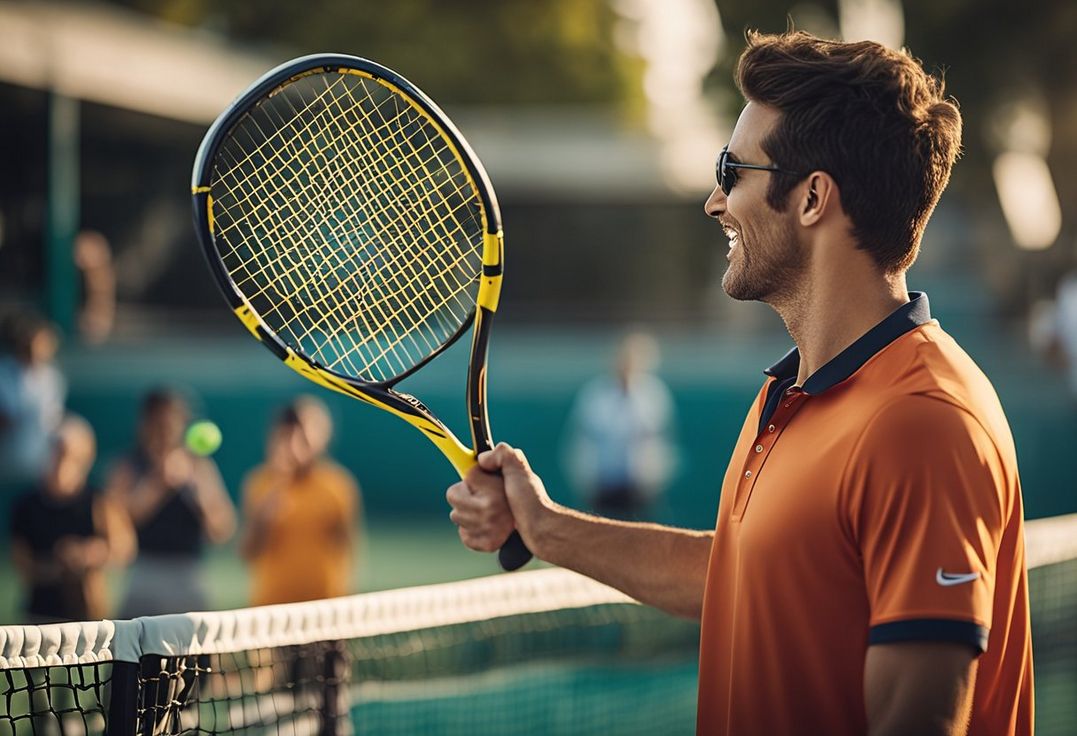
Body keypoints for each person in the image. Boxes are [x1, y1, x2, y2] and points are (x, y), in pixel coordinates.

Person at [447, 31, 1033, 736]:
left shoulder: (923, 421)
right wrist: (543, 528)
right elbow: (739, 577)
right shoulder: (787, 394)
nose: (713, 201)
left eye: (730, 170)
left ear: (813, 197)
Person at [107, 388, 236, 617]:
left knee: (198, 650)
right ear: (146, 423)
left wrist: (199, 491)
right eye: (160, 420)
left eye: (174, 420)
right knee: (129, 651)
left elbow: (222, 530)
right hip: (145, 571)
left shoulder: (200, 466)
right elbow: (117, 520)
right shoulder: (129, 464)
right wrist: (158, 483)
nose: (166, 428)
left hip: (188, 573)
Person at [10, 415, 135, 623]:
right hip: (39, 616)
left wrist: (88, 554)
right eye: (55, 452)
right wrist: (58, 565)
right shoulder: (26, 505)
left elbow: (124, 549)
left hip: (90, 617)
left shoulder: (99, 501)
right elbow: (22, 563)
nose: (60, 461)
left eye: (69, 455)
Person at [240, 396, 361, 606]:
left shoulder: (337, 485)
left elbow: (348, 547)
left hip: (325, 612)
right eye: (288, 433)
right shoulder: (260, 483)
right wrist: (265, 514)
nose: (296, 441)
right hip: (272, 612)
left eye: (304, 431)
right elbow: (249, 552)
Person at [564, 331, 677, 520]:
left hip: (640, 487)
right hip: (603, 485)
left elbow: (660, 440)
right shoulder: (596, 395)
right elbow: (583, 440)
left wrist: (655, 476)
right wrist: (585, 478)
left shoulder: (652, 395)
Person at [0, 312, 66, 493]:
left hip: (40, 469)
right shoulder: (3, 373)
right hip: (7, 467)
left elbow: (54, 420)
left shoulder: (53, 377)